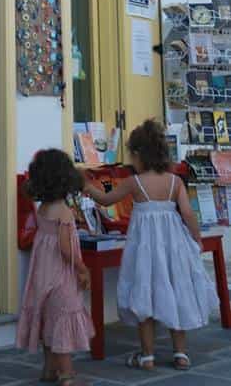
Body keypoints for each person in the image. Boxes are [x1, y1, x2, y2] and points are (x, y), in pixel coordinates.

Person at [84, 118, 218, 371]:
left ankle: (147, 356)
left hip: (144, 249)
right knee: (176, 291)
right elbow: (188, 214)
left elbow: (105, 199)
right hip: (173, 248)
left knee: (144, 294)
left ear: (138, 155)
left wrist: (87, 187)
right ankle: (180, 354)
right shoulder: (175, 182)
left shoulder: (134, 183)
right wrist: (196, 238)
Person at [17, 149, 94, 384]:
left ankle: (49, 369)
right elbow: (65, 248)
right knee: (63, 321)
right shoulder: (64, 212)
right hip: (61, 275)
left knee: (50, 321)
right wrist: (82, 268)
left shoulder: (42, 208)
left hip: (43, 274)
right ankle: (67, 373)